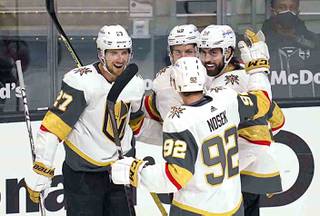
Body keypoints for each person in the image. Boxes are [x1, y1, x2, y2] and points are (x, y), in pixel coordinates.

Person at [111, 55, 272, 216]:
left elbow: (175, 177)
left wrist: (135, 171)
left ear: (174, 84)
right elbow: (262, 101)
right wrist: (258, 68)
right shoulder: (227, 98)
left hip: (195, 209)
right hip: (233, 206)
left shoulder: (179, 120)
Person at [24, 24, 145, 216]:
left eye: (124, 52)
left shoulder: (136, 83)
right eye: (113, 53)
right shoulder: (80, 83)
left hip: (119, 171)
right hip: (83, 175)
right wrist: (42, 171)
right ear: (101, 54)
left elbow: (135, 123)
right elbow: (53, 128)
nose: (120, 59)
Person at [198, 25, 284, 216]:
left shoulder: (239, 80)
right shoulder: (245, 73)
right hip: (239, 171)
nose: (206, 59)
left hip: (237, 172)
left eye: (213, 52)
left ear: (228, 51)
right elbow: (278, 122)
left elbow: (272, 123)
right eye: (203, 52)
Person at [261, 0, 320, 99]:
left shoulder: (313, 41)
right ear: (273, 11)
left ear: (297, 12)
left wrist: (296, 38)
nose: (288, 12)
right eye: (282, 8)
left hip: (310, 106)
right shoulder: (260, 43)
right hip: (273, 108)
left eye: (292, 8)